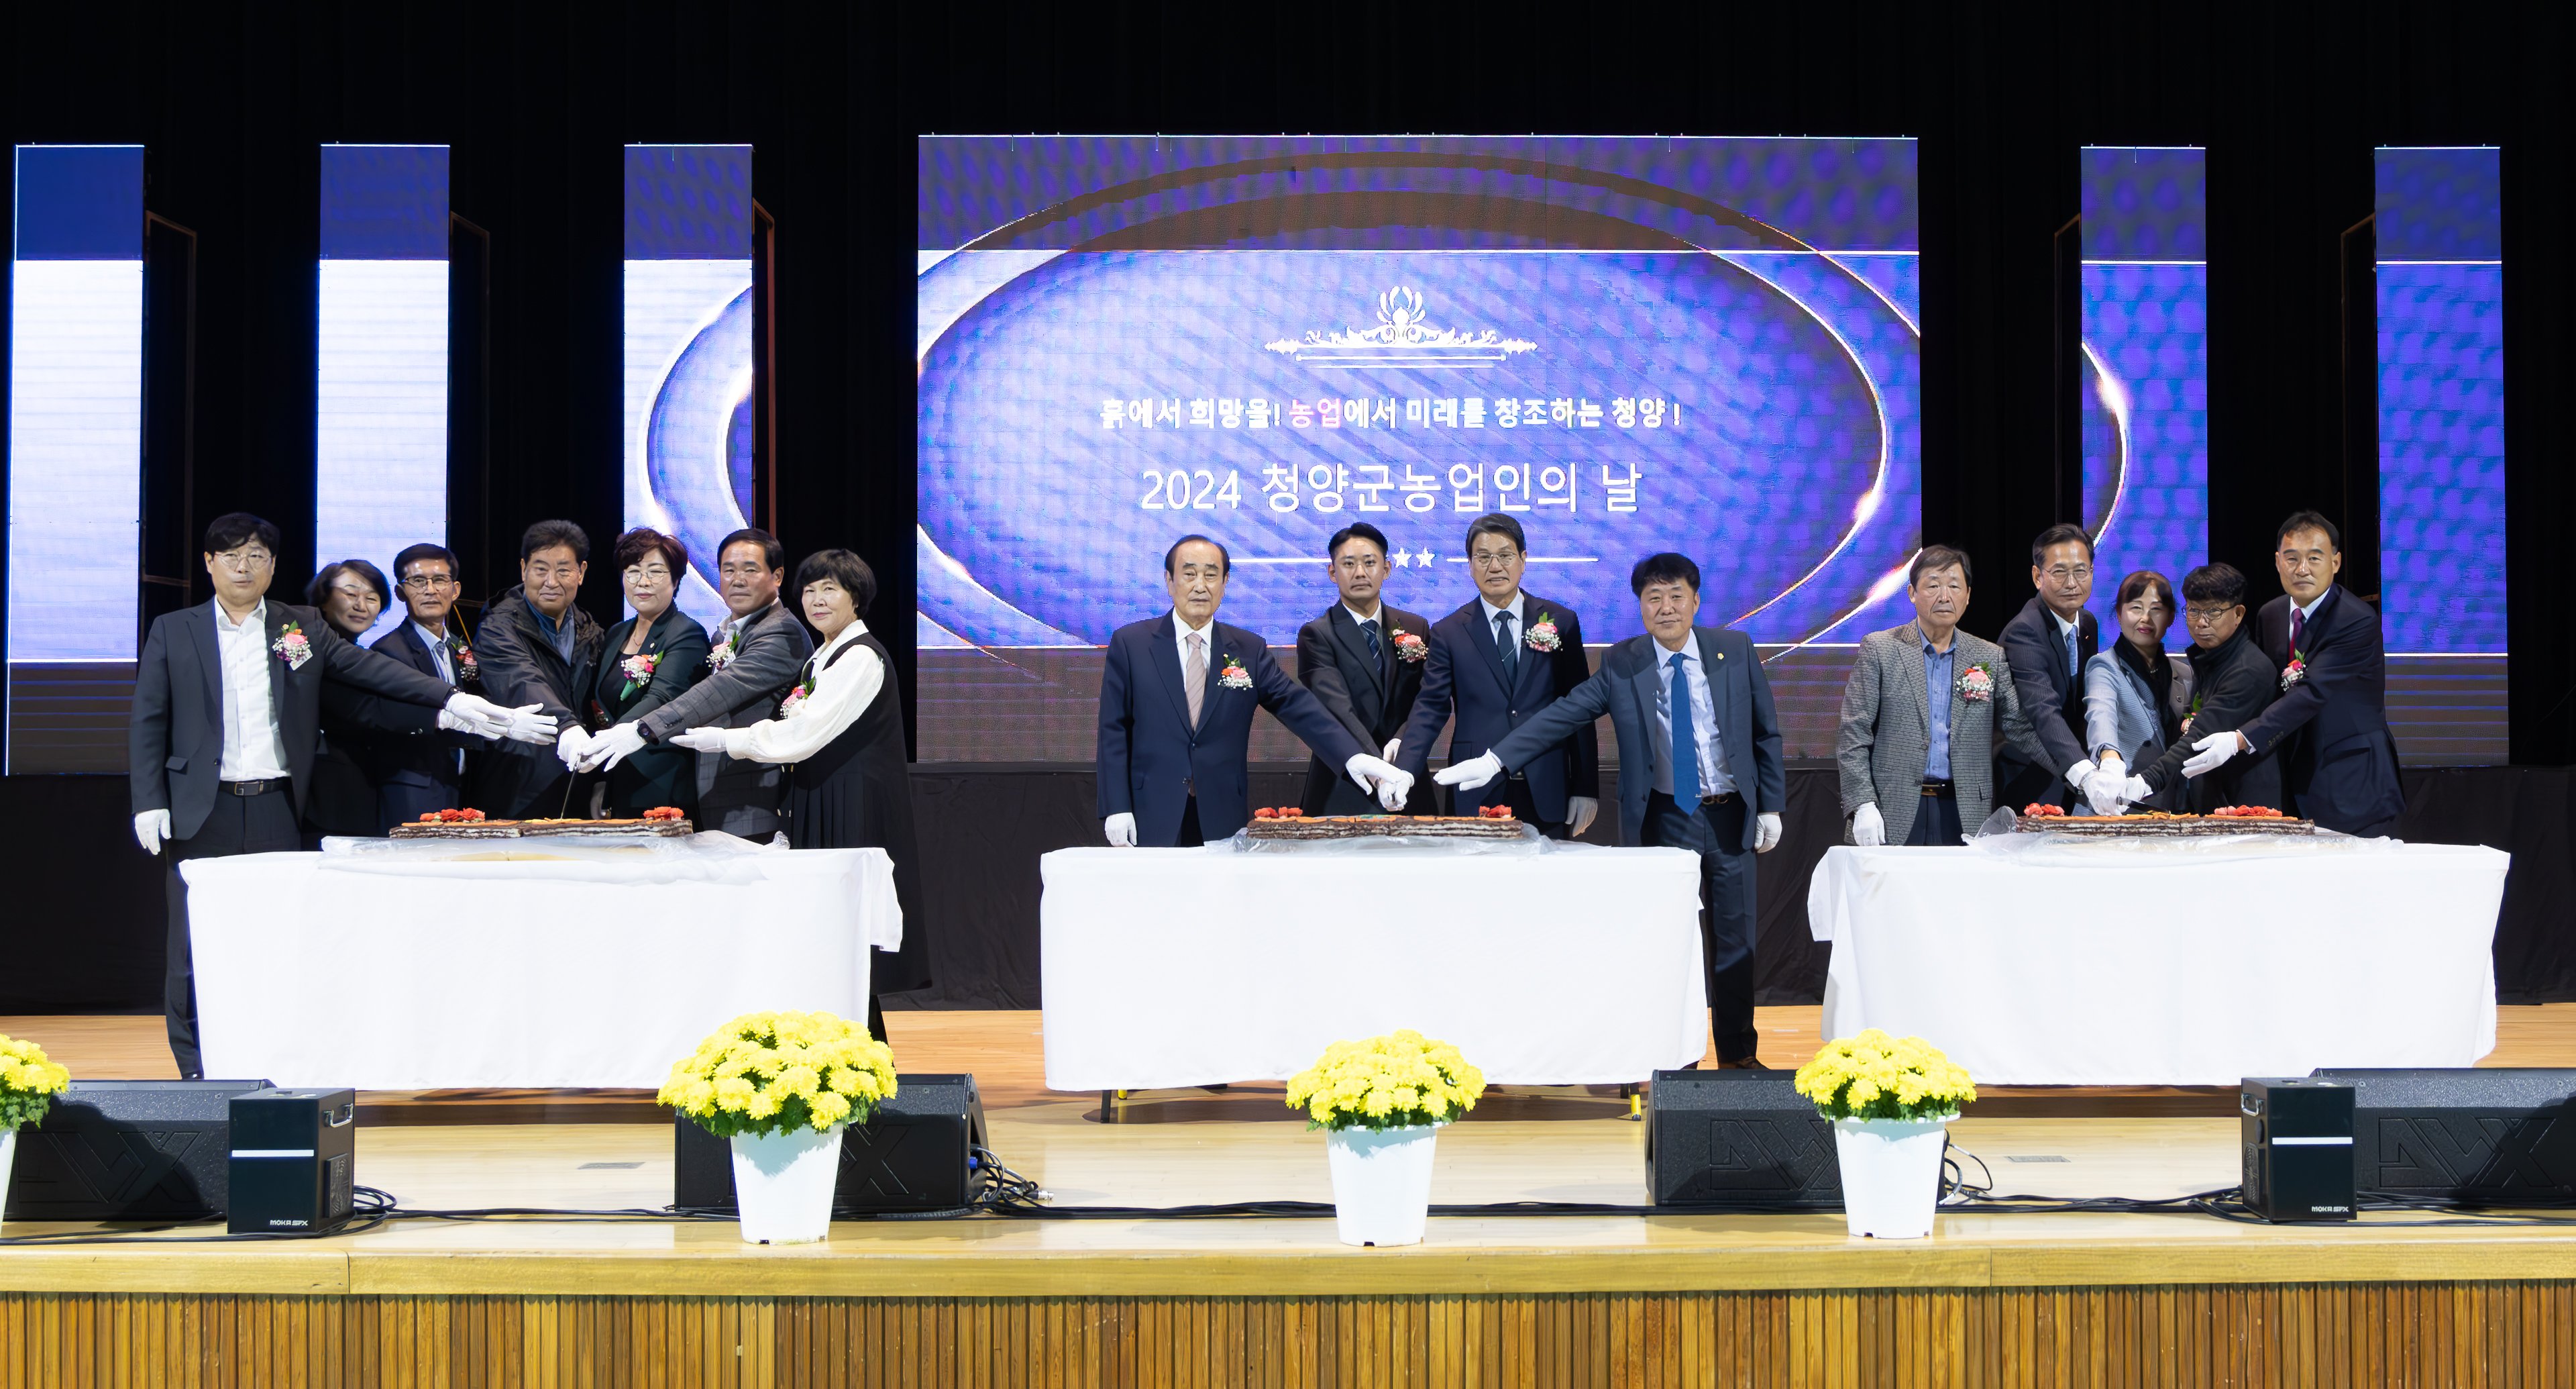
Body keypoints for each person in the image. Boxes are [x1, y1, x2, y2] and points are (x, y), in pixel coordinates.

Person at [129, 512, 554, 1076]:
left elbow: (370, 670)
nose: (243, 567)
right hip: (201, 809)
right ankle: (194, 1068)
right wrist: (148, 799)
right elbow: (149, 718)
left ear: (272, 566)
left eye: (256, 556)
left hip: (277, 804)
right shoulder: (174, 628)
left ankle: (267, 1059)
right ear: (209, 563)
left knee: (276, 936)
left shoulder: (296, 626)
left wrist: (453, 700)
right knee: (192, 942)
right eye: (230, 556)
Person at [1438, 552, 1786, 1068]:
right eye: (1653, 598)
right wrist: (1495, 759)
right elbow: (1564, 714)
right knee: (1670, 943)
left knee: (1735, 942)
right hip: (1667, 819)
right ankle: (1676, 1062)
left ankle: (1738, 1058)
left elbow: (1765, 732)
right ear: (1640, 607)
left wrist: (1771, 805)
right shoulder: (1625, 662)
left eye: (1676, 596)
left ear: (1695, 601)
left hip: (1730, 813)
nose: (1666, 608)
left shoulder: (1734, 650)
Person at [667, 550, 924, 1039]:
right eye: (809, 591)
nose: (817, 600)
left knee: (847, 932)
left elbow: (805, 734)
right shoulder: (821, 656)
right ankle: (846, 1049)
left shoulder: (860, 656)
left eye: (831, 589)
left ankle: (863, 1055)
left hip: (852, 804)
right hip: (820, 794)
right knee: (828, 934)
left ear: (856, 598)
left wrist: (727, 740)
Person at [1095, 535, 1412, 847]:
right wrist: (1116, 806)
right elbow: (1113, 731)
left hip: (1220, 813)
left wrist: (1352, 756)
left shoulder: (1248, 649)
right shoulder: (1132, 644)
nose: (1200, 586)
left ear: (1225, 583)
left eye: (1211, 575)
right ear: (1169, 580)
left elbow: (1300, 708)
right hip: (1149, 810)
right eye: (1189, 574)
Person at [2176, 511, 2406, 835]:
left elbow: (2312, 693)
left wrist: (2238, 739)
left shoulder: (2356, 621)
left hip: (2353, 784)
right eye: (2292, 558)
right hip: (2291, 779)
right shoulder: (2270, 614)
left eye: (2314, 558)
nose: (2302, 569)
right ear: (2277, 562)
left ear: (2336, 563)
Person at [586, 527, 811, 840]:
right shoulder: (724, 634)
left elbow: (718, 691)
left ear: (777, 576)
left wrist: (641, 730)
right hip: (712, 792)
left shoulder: (781, 632)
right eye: (728, 570)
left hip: (751, 797)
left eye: (750, 570)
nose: (738, 580)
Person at [1395, 513, 1601, 839]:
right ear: (1470, 565)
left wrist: (1586, 787)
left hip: (1547, 781)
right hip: (1475, 786)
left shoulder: (1561, 621)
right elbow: (1431, 707)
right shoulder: (1448, 631)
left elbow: (1579, 709)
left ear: (1523, 560)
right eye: (1483, 557)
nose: (1495, 567)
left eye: (1505, 556)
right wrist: (1405, 768)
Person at [1835, 546, 2043, 846]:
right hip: (1891, 807)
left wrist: (2078, 771)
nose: (1945, 596)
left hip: (1964, 810)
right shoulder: (1880, 649)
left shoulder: (1988, 656)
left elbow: (2019, 728)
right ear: (1912, 593)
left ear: (1968, 596)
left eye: (1954, 587)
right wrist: (1863, 803)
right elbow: (1853, 734)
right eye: (1933, 586)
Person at [2096, 563, 2282, 814]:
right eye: (2194, 610)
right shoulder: (2207, 660)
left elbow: (2199, 737)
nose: (2201, 623)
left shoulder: (2249, 670)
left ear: (2238, 614)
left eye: (2213, 611)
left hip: (2245, 808)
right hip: (2211, 803)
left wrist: (2142, 784)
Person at [1295, 521, 1436, 815]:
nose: (1360, 572)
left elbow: (1428, 700)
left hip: (1407, 776)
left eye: (1370, 563)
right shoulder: (1317, 634)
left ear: (1386, 569)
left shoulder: (1416, 627)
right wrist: (1381, 771)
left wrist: (1403, 743)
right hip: (1344, 783)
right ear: (1332, 572)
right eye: (1349, 564)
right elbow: (1338, 710)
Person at [472, 520, 609, 819]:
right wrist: (568, 727)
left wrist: (602, 778)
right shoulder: (498, 627)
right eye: (541, 569)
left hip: (577, 783)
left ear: (581, 573)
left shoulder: (591, 631)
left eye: (563, 571)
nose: (551, 582)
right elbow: (523, 680)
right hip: (518, 786)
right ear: (523, 569)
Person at [588, 528, 710, 817]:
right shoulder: (617, 633)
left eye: (656, 572)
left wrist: (602, 744)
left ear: (676, 580)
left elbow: (663, 697)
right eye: (633, 572)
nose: (643, 582)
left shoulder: (686, 633)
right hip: (618, 775)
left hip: (661, 780)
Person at [365, 542, 484, 830]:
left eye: (440, 580)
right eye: (418, 581)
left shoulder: (459, 647)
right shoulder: (388, 651)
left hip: (461, 785)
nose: (430, 590)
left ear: (455, 590)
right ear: (400, 592)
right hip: (412, 788)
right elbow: (391, 720)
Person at [1994, 524, 2103, 811]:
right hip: (2030, 776)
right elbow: (2043, 709)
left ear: (2092, 572)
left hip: (2073, 770)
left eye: (2081, 571)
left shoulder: (2087, 623)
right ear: (2037, 576)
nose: (2072, 583)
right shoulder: (2024, 632)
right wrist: (2084, 773)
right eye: (2059, 572)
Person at [2078, 570, 2194, 813]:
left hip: (2168, 810)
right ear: (2119, 614)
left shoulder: (2184, 673)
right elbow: (2101, 715)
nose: (2145, 618)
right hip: (2115, 805)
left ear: (2171, 617)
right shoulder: (2103, 666)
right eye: (2136, 608)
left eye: (2156, 609)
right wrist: (2110, 760)